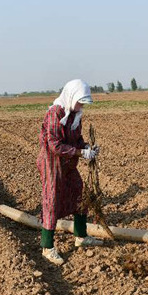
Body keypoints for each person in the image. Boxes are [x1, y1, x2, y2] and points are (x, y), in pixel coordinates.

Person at [37, 79, 102, 265]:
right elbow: (54, 144)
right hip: (52, 163)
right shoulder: (55, 113)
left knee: (79, 194)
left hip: (68, 164)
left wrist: (87, 147)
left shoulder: (75, 115)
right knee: (52, 200)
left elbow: (77, 138)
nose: (81, 105)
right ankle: (47, 247)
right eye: (80, 101)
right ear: (71, 96)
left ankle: (81, 237)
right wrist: (80, 152)